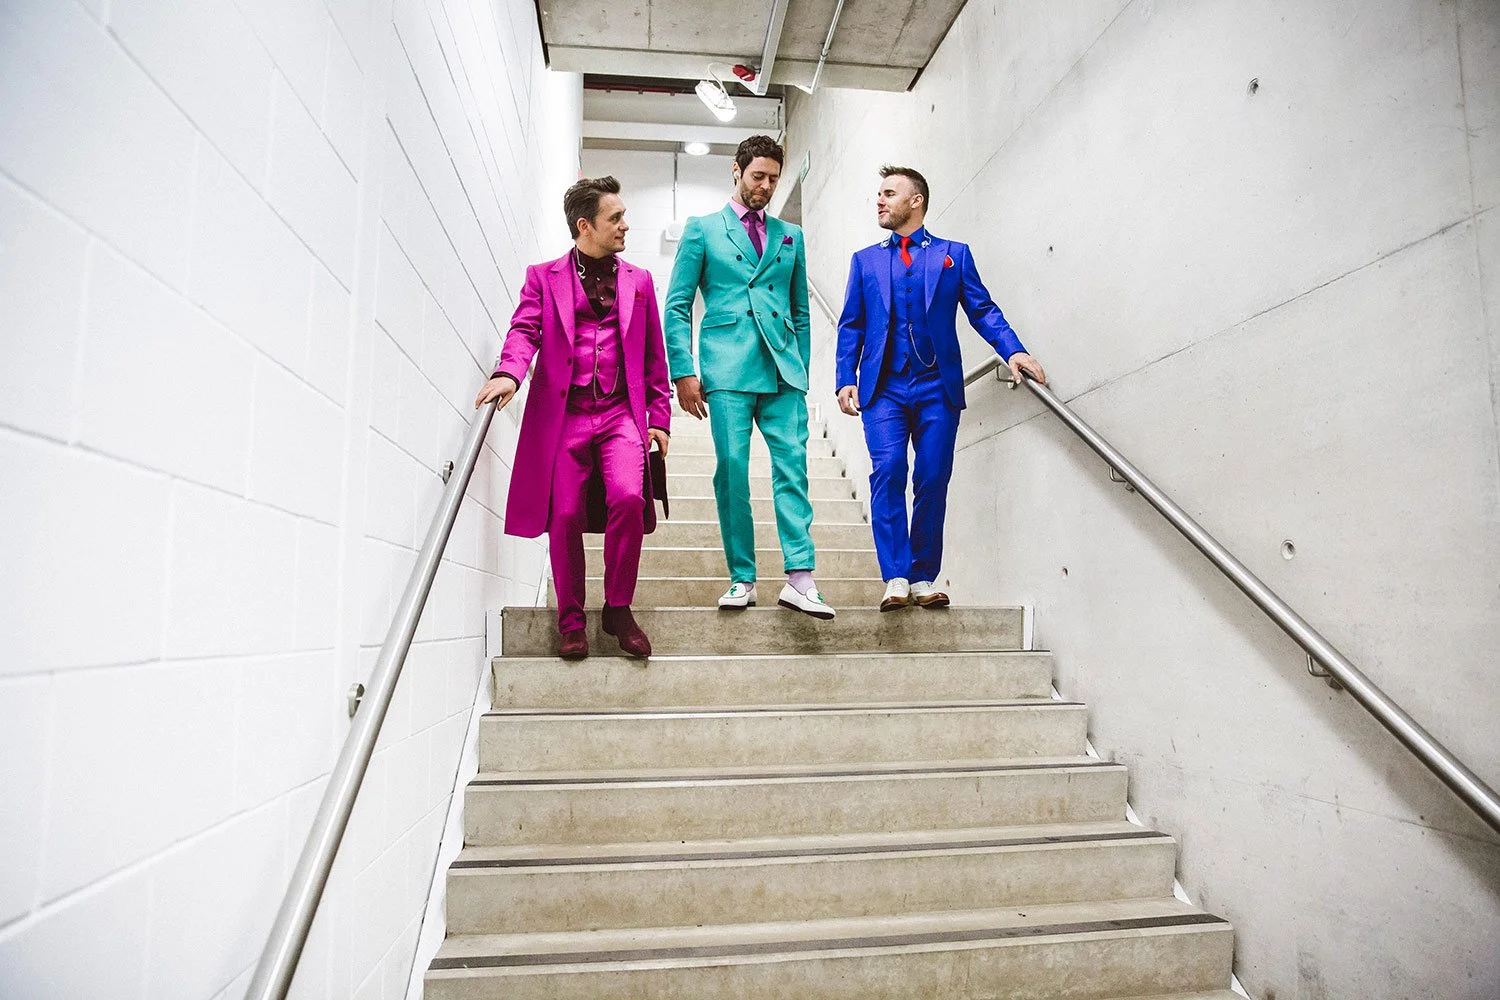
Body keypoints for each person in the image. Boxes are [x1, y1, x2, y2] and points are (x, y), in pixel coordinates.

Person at [475, 176, 671, 658]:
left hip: (621, 413)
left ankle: (618, 609)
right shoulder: (544, 277)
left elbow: (652, 356)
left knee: (628, 497)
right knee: (563, 514)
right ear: (585, 226)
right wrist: (509, 373)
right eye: (616, 218)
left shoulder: (639, 281)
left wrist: (659, 417)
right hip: (567, 416)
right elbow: (524, 331)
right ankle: (571, 620)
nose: (626, 224)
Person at [835, 165, 1047, 611]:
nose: (879, 200)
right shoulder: (865, 260)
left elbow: (982, 309)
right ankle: (895, 574)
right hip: (883, 388)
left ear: (916, 201)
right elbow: (851, 324)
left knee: (932, 477)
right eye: (878, 193)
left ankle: (922, 575)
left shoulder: (954, 254)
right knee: (889, 470)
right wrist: (844, 378)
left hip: (936, 386)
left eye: (889, 193)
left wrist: (1013, 351)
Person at [664, 135, 834, 619]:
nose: (765, 186)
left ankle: (801, 578)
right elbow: (677, 306)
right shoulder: (702, 229)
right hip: (726, 369)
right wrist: (683, 371)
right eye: (757, 176)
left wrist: (800, 368)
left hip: (783, 372)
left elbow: (801, 310)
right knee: (732, 471)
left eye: (774, 179)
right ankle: (742, 578)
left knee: (793, 470)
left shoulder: (790, 235)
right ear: (736, 172)